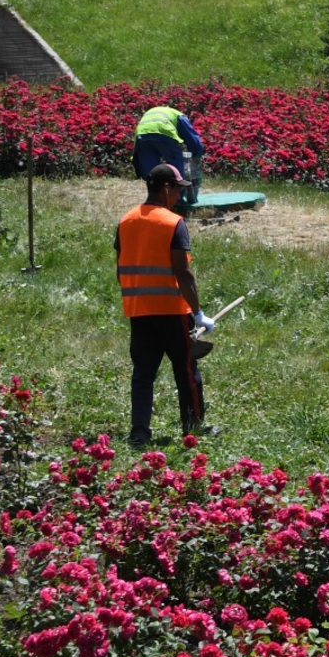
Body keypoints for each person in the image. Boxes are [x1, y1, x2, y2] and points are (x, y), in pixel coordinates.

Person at [116, 164, 217, 446]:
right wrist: (197, 313)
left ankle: (139, 432)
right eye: (177, 189)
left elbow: (119, 269)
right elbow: (183, 273)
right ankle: (193, 427)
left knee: (143, 374)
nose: (178, 196)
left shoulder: (126, 221)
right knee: (186, 370)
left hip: (138, 310)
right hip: (172, 311)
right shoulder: (172, 223)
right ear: (165, 188)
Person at [132, 105, 205, 207]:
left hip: (142, 134)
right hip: (163, 131)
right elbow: (193, 140)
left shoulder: (156, 111)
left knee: (152, 172)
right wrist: (196, 155)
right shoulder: (180, 116)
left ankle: (155, 200)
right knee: (176, 167)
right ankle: (177, 200)